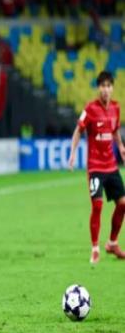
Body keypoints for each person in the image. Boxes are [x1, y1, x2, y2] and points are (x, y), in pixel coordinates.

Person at [69, 71, 125, 264]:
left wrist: (121, 146)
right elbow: (78, 130)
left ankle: (112, 243)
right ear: (98, 88)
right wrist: (73, 153)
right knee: (98, 205)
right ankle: (95, 248)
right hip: (95, 167)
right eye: (102, 86)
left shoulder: (116, 108)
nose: (105, 89)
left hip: (111, 166)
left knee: (123, 204)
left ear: (112, 88)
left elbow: (115, 131)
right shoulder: (90, 109)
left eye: (108, 86)